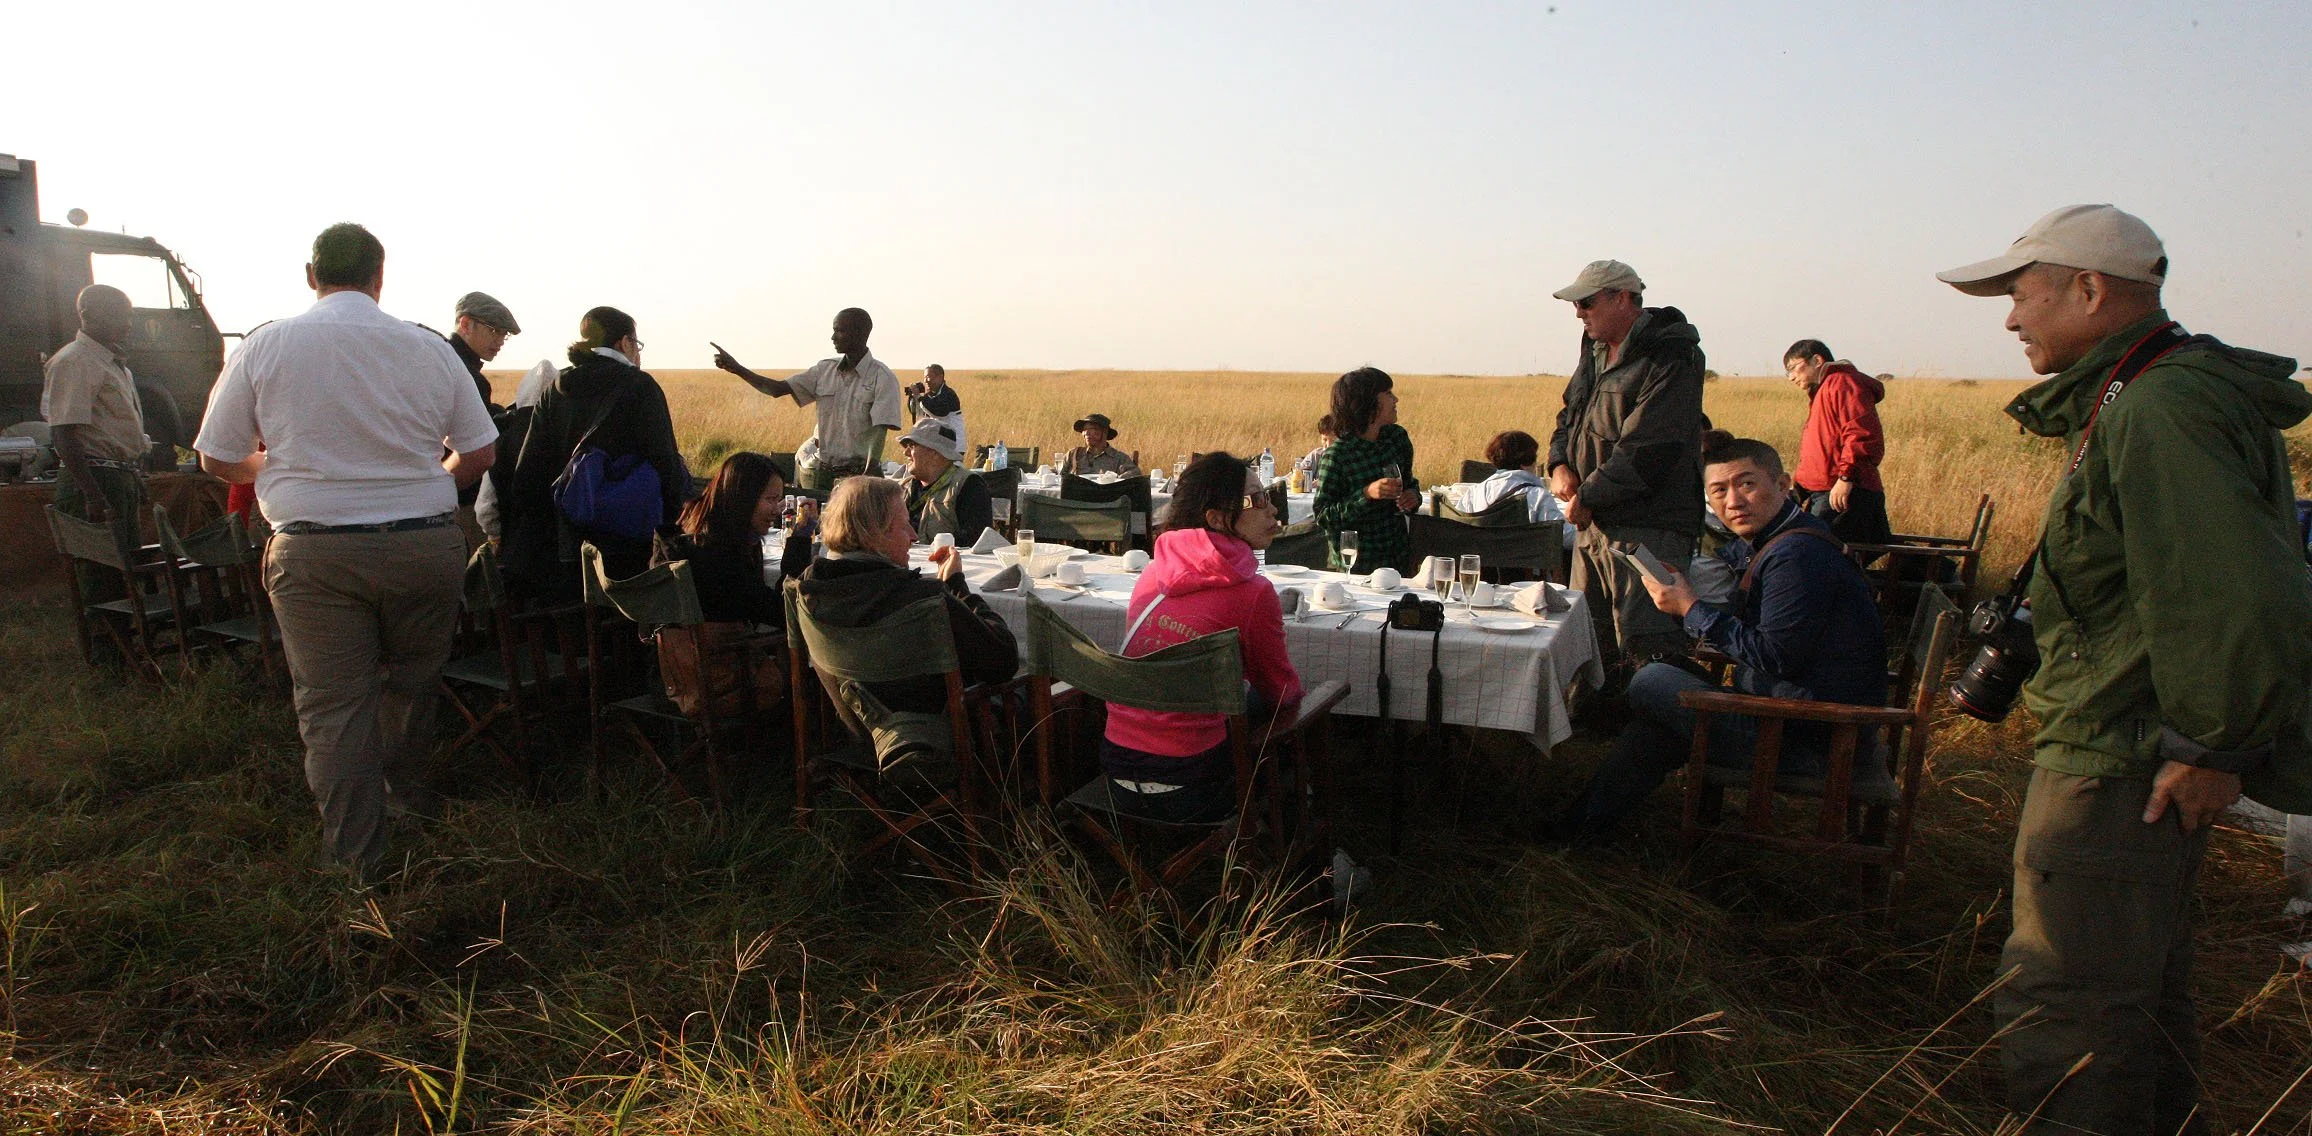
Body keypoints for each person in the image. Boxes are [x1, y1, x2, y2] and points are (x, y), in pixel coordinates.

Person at [1938, 203, 2312, 1135]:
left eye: (2021, 295)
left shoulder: (2158, 406)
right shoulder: (2151, 390)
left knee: (2065, 1001)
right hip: (2135, 747)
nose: (2011, 319)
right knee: (2135, 996)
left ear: (2089, 289)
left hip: (2119, 759)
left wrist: (2211, 747)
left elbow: (2227, 593)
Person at [193, 223, 497, 878]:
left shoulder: (265, 344)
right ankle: (406, 801)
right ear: (379, 277)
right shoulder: (429, 347)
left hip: (316, 553)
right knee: (412, 685)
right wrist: (423, 487)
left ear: (311, 275)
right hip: (424, 545)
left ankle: (359, 861)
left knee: (335, 706)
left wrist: (266, 471)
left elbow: (216, 456)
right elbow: (479, 451)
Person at [1547, 431, 1884, 840]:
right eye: (1719, 491)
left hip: (1810, 738)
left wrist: (1691, 608)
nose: (1734, 502)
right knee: (1659, 705)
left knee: (1650, 681)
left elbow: (1776, 656)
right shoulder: (1783, 540)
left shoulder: (1795, 556)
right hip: (1793, 717)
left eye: (1747, 484)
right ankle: (1580, 829)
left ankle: (1575, 828)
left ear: (1783, 485)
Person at [1102, 453, 1305, 823]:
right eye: (1258, 500)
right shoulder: (1254, 593)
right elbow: (1280, 692)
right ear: (1215, 519)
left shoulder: (1154, 572)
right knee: (1290, 712)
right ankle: (1295, 837)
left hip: (1116, 776)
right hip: (1193, 791)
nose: (1273, 508)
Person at [790, 476, 1018, 767]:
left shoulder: (810, 588)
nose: (913, 535)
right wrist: (957, 585)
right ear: (875, 535)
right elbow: (1003, 660)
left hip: (856, 733)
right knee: (1039, 687)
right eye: (904, 525)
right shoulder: (920, 598)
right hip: (929, 742)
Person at [1546, 259, 1707, 665]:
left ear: (1621, 298)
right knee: (1586, 644)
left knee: (1646, 647)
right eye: (1576, 304)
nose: (1578, 313)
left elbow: (1649, 449)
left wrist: (1588, 496)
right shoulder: (1595, 349)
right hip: (1593, 524)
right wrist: (1558, 464)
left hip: (1648, 528)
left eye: (1586, 303)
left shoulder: (1672, 354)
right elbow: (1569, 415)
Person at [500, 307, 689, 597]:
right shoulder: (641, 387)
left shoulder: (554, 390)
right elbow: (666, 463)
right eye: (637, 345)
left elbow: (528, 472)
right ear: (624, 343)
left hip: (566, 541)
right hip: (628, 541)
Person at [714, 309, 904, 492]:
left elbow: (879, 432)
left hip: (859, 475)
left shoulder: (882, 377)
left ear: (860, 333)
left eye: (839, 330)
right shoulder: (824, 371)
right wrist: (737, 368)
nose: (833, 337)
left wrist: (866, 476)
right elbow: (776, 389)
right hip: (822, 473)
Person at [652, 452, 816, 627]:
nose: (777, 510)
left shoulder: (692, 534)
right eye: (770, 499)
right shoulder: (720, 556)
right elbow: (783, 612)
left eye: (778, 500)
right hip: (725, 642)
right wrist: (799, 541)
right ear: (742, 499)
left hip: (685, 642)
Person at [43, 284, 145, 530]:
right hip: (94, 479)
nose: (127, 324)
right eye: (117, 315)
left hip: (118, 478)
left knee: (127, 553)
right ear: (87, 315)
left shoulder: (113, 363)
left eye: (129, 316)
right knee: (99, 555)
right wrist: (92, 495)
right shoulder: (75, 360)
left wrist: (131, 475)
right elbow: (63, 432)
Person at [1782, 340, 1892, 546]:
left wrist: (1846, 477)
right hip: (1827, 489)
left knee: (1816, 551)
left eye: (1793, 368)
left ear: (1817, 360)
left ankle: (1933, 565)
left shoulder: (1842, 383)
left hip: (1843, 491)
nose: (1791, 377)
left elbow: (1860, 434)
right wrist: (1799, 489)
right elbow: (1824, 449)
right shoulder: (1824, 388)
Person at [1313, 367, 1419, 573]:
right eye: (1388, 393)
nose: (1395, 399)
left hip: (1397, 559)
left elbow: (1409, 482)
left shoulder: (1396, 439)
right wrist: (1366, 494)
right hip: (1357, 566)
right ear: (1368, 402)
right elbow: (1324, 516)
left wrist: (1413, 496)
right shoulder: (1338, 455)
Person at [896, 417, 992, 546]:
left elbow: (976, 542)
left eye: (912, 446)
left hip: (949, 558)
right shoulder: (904, 488)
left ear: (935, 453)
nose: (906, 452)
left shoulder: (969, 486)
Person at [1454, 430, 1571, 535]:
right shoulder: (1537, 496)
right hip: (1524, 553)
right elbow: (1563, 536)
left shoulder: (1474, 493)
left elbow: (1456, 527)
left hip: (1481, 551)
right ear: (1526, 463)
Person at [447, 292, 520, 416]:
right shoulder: (468, 379)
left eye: (505, 334)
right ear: (466, 324)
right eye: (495, 330)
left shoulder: (442, 360)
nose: (501, 341)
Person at [905, 362, 967, 460]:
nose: (926, 381)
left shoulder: (948, 394)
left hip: (954, 445)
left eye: (928, 377)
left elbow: (938, 412)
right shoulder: (930, 395)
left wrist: (919, 397)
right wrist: (914, 399)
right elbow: (920, 414)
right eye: (924, 377)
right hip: (940, 444)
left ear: (940, 377)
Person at [1059, 413, 1141, 477]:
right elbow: (1058, 474)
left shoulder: (1119, 458)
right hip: (1076, 494)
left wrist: (1115, 480)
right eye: (1085, 430)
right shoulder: (1073, 455)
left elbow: (1134, 474)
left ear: (1105, 433)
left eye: (1092, 430)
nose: (1087, 433)